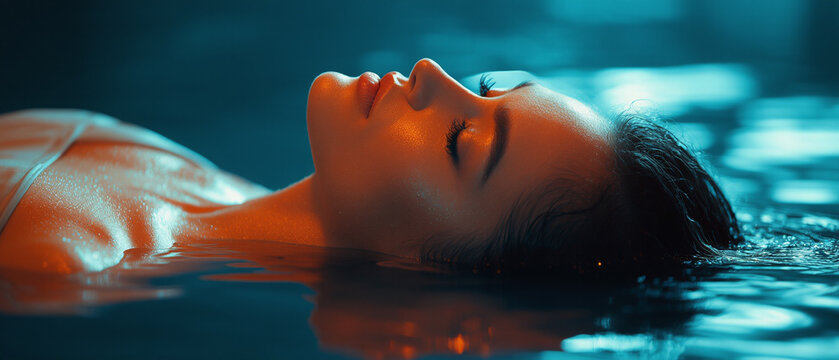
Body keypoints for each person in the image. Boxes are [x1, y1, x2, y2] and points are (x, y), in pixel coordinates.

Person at [0, 58, 742, 275]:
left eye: (462, 144)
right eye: (485, 86)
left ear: (425, 263)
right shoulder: (184, 175)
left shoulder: (65, 260)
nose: (429, 74)